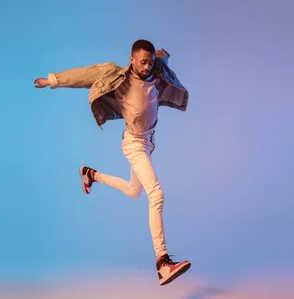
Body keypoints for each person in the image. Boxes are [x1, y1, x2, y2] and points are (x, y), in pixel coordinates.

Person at [33, 39, 191, 286]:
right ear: (131, 59)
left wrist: (164, 56)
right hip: (134, 144)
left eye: (150, 62)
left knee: (133, 191)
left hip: (148, 143)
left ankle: (90, 174)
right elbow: (84, 76)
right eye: (142, 62)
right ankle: (163, 263)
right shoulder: (117, 77)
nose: (147, 67)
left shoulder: (156, 66)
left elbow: (161, 57)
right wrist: (52, 80)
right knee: (156, 195)